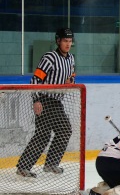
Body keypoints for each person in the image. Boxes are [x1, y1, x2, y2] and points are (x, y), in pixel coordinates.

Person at [16, 28, 76, 178]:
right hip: (44, 99)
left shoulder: (71, 59)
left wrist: (70, 81)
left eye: (69, 41)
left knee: (64, 130)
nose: (68, 44)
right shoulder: (49, 57)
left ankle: (50, 164)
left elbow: (71, 76)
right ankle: (23, 168)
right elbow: (35, 80)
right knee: (43, 134)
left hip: (57, 102)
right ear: (58, 41)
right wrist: (36, 100)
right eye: (65, 41)